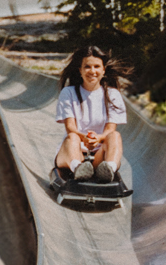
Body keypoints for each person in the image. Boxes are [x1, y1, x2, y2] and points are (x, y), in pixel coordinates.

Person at [54, 45, 130, 182]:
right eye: (87, 67)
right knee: (72, 137)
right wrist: (85, 138)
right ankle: (79, 169)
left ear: (103, 70)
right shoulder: (69, 93)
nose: (92, 71)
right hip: (73, 152)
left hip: (99, 156)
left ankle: (109, 169)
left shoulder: (112, 95)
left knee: (115, 136)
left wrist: (98, 139)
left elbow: (110, 129)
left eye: (97, 67)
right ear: (80, 70)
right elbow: (70, 127)